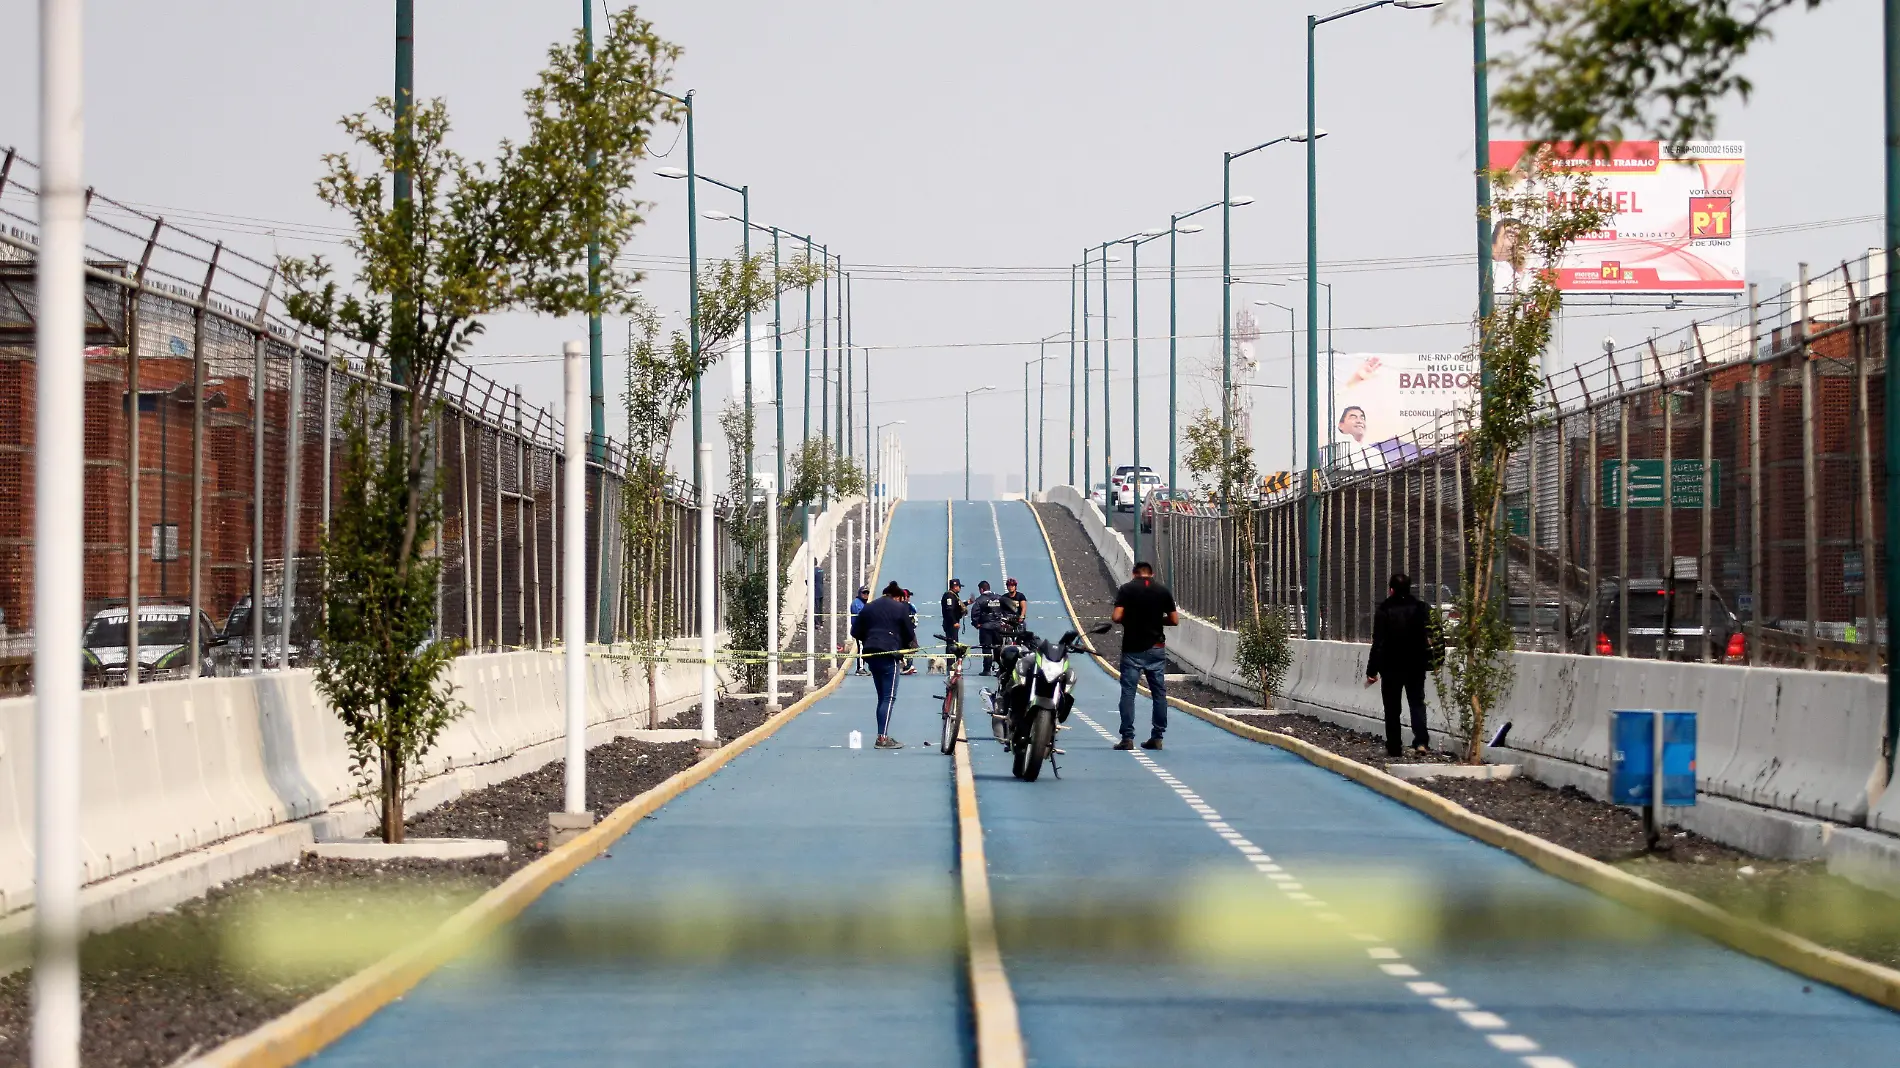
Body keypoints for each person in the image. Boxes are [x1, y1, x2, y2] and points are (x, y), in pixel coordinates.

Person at [1365, 571, 1435, 757]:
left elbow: (1378, 642)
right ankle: (1421, 742)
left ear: (1391, 589)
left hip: (1391, 666)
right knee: (1417, 703)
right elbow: (1431, 635)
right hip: (1416, 664)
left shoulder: (1384, 610)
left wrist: (1372, 670)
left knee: (1392, 707)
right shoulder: (1421, 608)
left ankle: (1394, 746)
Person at [1111, 561, 1178, 750]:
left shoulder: (1126, 590)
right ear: (1152, 573)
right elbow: (1174, 620)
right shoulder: (1162, 591)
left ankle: (1127, 738)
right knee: (1159, 693)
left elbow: (1116, 617)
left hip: (1132, 648)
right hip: (1156, 648)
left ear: (1134, 574)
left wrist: (1131, 620)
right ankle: (1157, 737)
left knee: (1128, 693)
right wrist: (1156, 619)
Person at [852, 581, 917, 749]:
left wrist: (869, 638)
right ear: (897, 596)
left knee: (882, 696)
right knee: (889, 697)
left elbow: (854, 631)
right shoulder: (900, 608)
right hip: (888, 653)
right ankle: (882, 738)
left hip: (871, 653)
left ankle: (882, 733)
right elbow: (909, 633)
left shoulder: (869, 607)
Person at [969, 580, 1007, 675]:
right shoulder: (999, 597)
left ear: (981, 589)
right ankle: (1001, 668)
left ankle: (987, 669)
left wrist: (976, 624)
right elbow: (1006, 609)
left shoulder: (980, 600)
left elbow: (975, 613)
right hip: (998, 626)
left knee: (986, 648)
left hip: (986, 627)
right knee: (998, 647)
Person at [940, 578, 968, 655]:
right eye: (959, 586)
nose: (960, 588)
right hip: (950, 624)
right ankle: (950, 663)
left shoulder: (954, 595)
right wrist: (954, 622)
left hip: (952, 623)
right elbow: (950, 610)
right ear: (955, 586)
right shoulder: (949, 596)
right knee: (952, 643)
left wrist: (967, 603)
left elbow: (957, 606)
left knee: (954, 642)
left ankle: (952, 662)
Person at [849, 586, 871, 675]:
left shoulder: (864, 604)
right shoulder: (856, 603)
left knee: (865, 648)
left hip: (865, 630)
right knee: (861, 648)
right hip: (859, 630)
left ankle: (864, 667)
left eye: (867, 593)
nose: (866, 595)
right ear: (859, 593)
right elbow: (860, 617)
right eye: (864, 593)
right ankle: (860, 668)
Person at [899, 589, 920, 675]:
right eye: (907, 596)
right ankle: (906, 666)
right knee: (909, 647)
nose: (909, 598)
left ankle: (908, 664)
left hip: (908, 629)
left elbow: (915, 617)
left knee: (910, 648)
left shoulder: (911, 606)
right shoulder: (906, 606)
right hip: (906, 630)